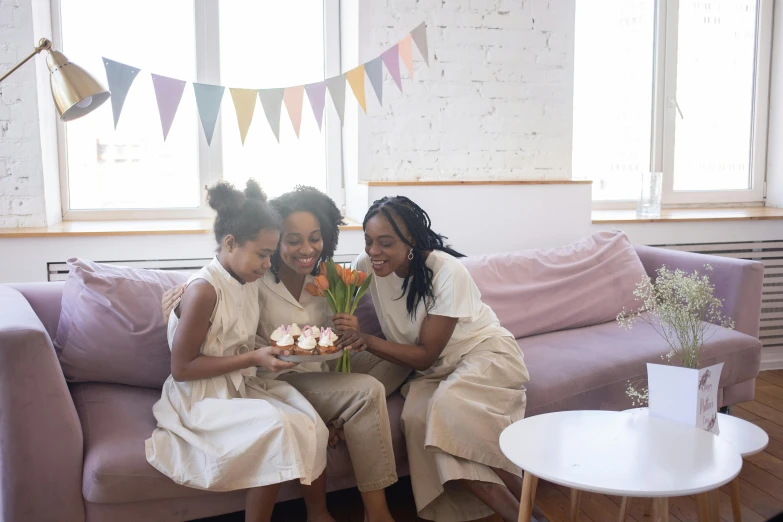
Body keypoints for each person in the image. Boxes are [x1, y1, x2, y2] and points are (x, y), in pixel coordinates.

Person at [162, 185, 408, 522]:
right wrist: (178, 307)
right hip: (274, 375)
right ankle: (370, 511)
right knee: (365, 393)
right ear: (275, 242)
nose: (306, 249)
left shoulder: (327, 278)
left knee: (401, 358)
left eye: (315, 237)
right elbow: (213, 304)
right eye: (292, 240)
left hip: (319, 370)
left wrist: (349, 328)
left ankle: (334, 416)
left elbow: (325, 341)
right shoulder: (255, 278)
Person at [146, 180, 332, 522]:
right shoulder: (204, 291)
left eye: (270, 255)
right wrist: (252, 358)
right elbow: (182, 368)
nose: (267, 264)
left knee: (310, 422)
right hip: (201, 398)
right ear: (229, 243)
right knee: (275, 427)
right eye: (262, 254)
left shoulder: (246, 280)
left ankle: (319, 514)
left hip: (238, 385)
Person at [354, 196, 530, 522]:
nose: (373, 251)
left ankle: (524, 511)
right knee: (417, 421)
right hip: (435, 371)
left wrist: (366, 340)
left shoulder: (446, 271)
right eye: (368, 241)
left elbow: (424, 355)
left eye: (385, 243)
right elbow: (336, 295)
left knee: (447, 409)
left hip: (481, 353)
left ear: (411, 242)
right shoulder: (366, 267)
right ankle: (524, 515)